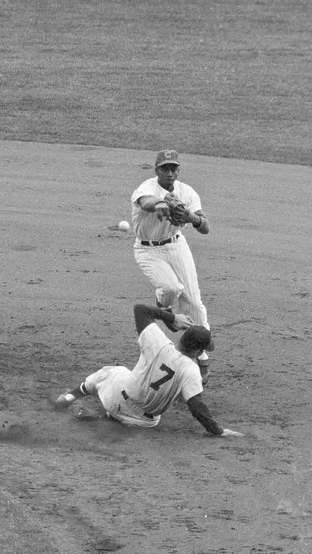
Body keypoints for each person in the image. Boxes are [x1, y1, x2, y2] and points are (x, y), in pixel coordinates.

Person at [54, 303, 243, 437]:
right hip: (143, 422)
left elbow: (140, 309)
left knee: (111, 372)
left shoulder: (158, 341)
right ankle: (106, 418)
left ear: (181, 339)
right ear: (199, 351)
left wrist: (172, 317)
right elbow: (197, 407)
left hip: (116, 397)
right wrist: (217, 431)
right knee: (169, 397)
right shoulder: (191, 371)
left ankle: (68, 398)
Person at [130, 149, 213, 383]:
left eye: (173, 168)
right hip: (148, 249)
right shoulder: (146, 188)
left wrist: (192, 217)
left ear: (178, 170)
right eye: (164, 168)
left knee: (194, 303)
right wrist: (159, 204)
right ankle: (163, 306)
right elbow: (145, 201)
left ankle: (203, 354)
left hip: (177, 246)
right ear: (156, 170)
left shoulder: (187, 192)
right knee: (170, 289)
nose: (169, 172)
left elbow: (205, 227)